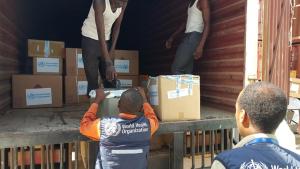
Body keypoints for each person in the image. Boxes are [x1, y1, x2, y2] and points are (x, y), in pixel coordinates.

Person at [211, 82, 300, 169]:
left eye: (236, 110)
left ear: (243, 116)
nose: (235, 115)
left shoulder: (225, 162)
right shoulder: (296, 161)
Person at [80, 87, 159, 169]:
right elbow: (153, 118)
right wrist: (145, 100)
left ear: (118, 104)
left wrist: (96, 101)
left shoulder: (104, 126)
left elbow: (84, 126)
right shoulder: (147, 125)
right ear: (141, 109)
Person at [81, 0, 128, 97]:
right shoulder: (99, 2)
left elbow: (117, 27)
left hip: (106, 41)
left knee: (110, 79)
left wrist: (111, 51)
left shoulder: (123, 3)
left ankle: (110, 109)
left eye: (125, 1)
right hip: (90, 40)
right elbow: (100, 32)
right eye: (121, 1)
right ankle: (93, 110)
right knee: (93, 82)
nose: (122, 4)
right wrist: (108, 62)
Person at [166, 0, 210, 74]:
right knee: (186, 71)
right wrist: (172, 37)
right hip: (188, 37)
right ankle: (189, 86)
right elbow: (185, 23)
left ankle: (178, 85)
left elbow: (207, 24)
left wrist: (201, 46)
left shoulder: (202, 1)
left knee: (176, 68)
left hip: (194, 37)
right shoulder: (191, 3)